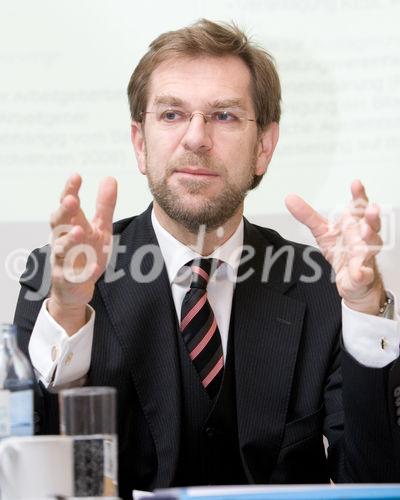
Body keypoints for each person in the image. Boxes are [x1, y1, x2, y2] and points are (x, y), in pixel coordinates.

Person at [14, 19, 400, 499]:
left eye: (224, 116)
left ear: (263, 148)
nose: (196, 138)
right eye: (173, 114)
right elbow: (33, 478)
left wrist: (365, 310)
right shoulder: (57, 278)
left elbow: (377, 481)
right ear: (140, 142)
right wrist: (69, 313)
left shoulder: (322, 286)